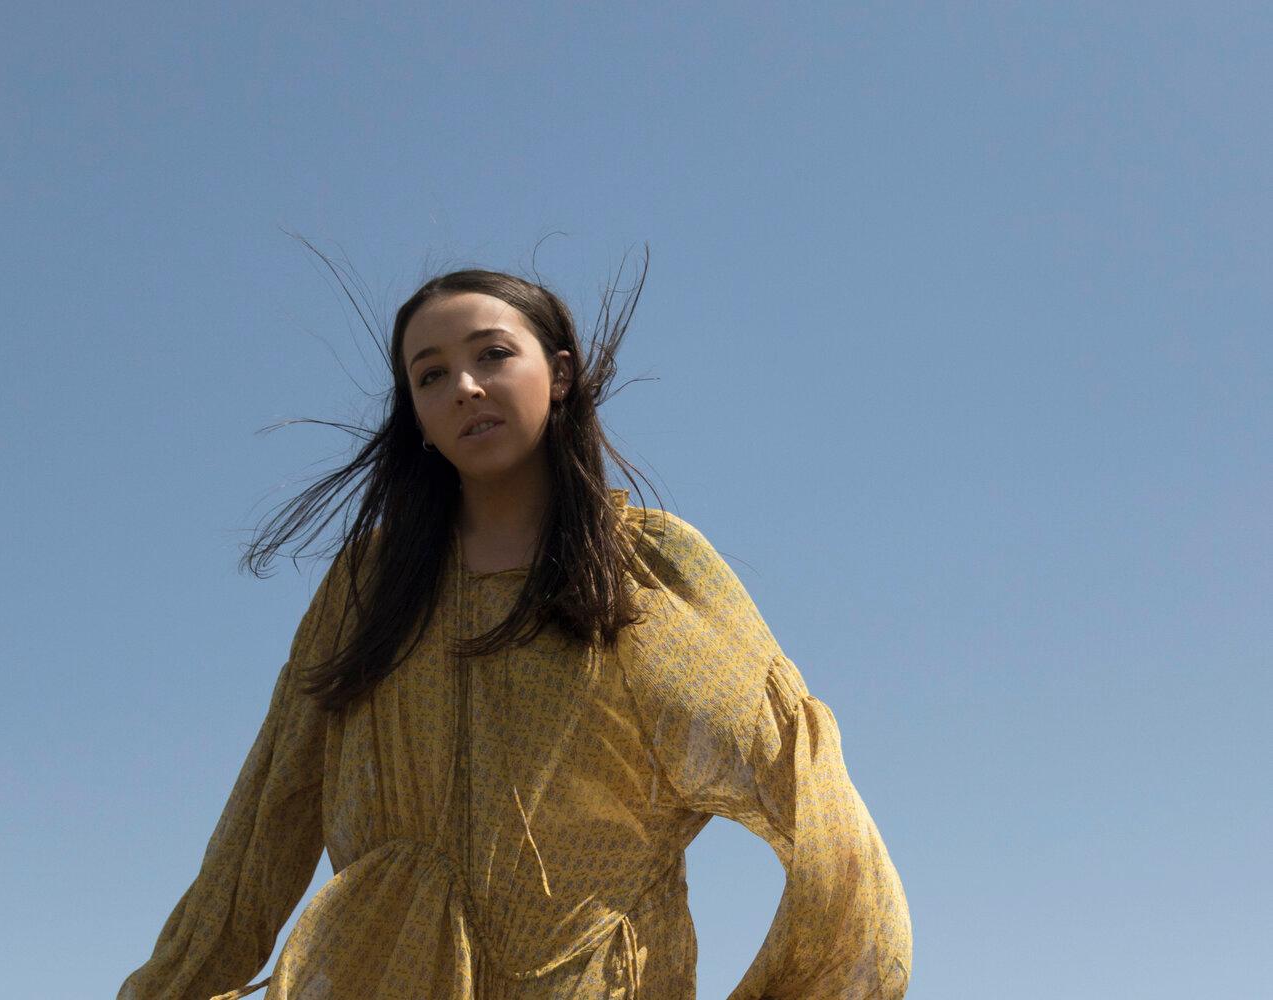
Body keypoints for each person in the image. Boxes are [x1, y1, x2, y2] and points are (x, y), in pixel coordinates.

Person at [116, 259, 912, 1000]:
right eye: (430, 375)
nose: (463, 386)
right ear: (418, 416)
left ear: (559, 373)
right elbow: (267, 817)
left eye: (491, 355)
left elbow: (807, 793)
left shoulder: (648, 567)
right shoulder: (370, 584)